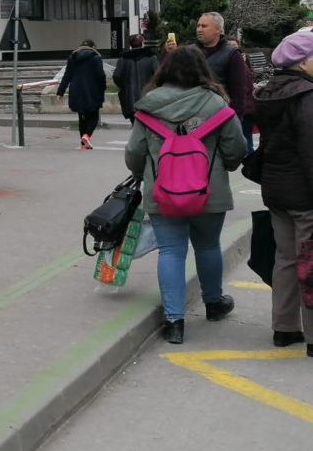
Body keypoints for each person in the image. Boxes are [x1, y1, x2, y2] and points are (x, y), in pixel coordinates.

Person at [125, 45, 247, 345]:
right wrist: (223, 166)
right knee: (207, 246)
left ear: (165, 70)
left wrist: (146, 173)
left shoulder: (148, 106)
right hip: (209, 192)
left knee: (171, 251)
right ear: (202, 70)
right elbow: (237, 149)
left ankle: (174, 321)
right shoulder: (217, 105)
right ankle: (214, 303)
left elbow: (134, 155)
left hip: (162, 193)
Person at [252, 31, 313, 357]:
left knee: (286, 259)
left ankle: (284, 327)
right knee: (311, 262)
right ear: (302, 62)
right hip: (304, 193)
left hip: (275, 190)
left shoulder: (269, 92)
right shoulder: (307, 97)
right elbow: (310, 150)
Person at [195, 13, 253, 124]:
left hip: (221, 119)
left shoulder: (232, 55)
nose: (199, 29)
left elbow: (238, 93)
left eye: (204, 26)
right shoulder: (190, 52)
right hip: (192, 120)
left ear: (218, 29)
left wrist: (232, 121)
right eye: (198, 26)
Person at [56, 39, 106, 150]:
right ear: (93, 47)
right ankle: (86, 136)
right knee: (94, 115)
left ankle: (83, 144)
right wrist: (103, 88)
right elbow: (100, 75)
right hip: (92, 90)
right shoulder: (96, 57)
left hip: (76, 90)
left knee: (81, 116)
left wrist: (60, 92)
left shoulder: (72, 57)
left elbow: (67, 76)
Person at [113, 34, 158, 124]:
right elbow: (158, 75)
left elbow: (117, 76)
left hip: (130, 100)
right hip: (148, 98)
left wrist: (125, 87)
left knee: (136, 126)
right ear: (143, 43)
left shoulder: (123, 59)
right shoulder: (151, 57)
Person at [225, 36, 257, 154]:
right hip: (244, 107)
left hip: (246, 108)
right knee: (246, 139)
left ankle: (249, 161)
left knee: (246, 139)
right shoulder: (235, 63)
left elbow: (245, 85)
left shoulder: (241, 63)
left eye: (235, 46)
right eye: (230, 46)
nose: (233, 48)